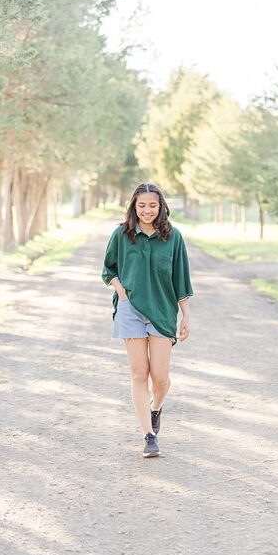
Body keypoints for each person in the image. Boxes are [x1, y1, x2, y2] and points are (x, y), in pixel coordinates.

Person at [103, 182, 193, 458]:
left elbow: (181, 278)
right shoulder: (122, 234)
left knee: (160, 377)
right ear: (133, 206)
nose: (147, 210)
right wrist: (122, 293)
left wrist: (186, 315)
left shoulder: (173, 237)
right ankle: (149, 435)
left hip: (163, 310)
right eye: (141, 205)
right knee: (139, 372)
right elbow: (108, 270)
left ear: (161, 206)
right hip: (130, 310)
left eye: (152, 205)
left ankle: (156, 408)